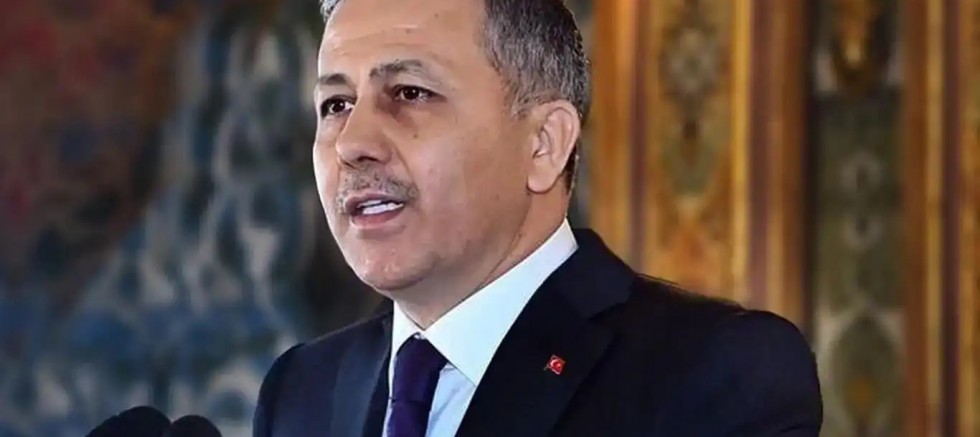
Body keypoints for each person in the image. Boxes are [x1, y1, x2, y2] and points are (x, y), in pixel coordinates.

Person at [253, 0, 823, 435]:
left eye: (409, 93)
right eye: (336, 105)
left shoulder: (714, 373)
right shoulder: (302, 389)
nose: (352, 143)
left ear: (544, 144)